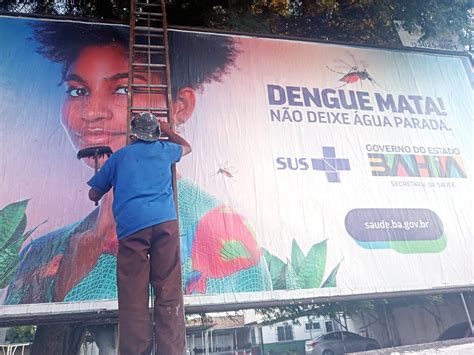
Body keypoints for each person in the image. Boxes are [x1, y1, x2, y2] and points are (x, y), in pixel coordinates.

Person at [5, 20, 272, 306]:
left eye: (122, 90)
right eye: (77, 91)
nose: (91, 113)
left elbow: (234, 328)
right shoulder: (42, 252)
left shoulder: (221, 236)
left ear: (179, 106)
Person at [87, 112, 190, 354]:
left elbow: (93, 194)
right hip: (165, 224)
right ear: (155, 134)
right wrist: (167, 129)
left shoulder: (120, 157)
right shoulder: (165, 149)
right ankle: (172, 350)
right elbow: (186, 147)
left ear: (133, 134)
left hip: (133, 229)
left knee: (133, 294)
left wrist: (102, 183)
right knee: (168, 288)